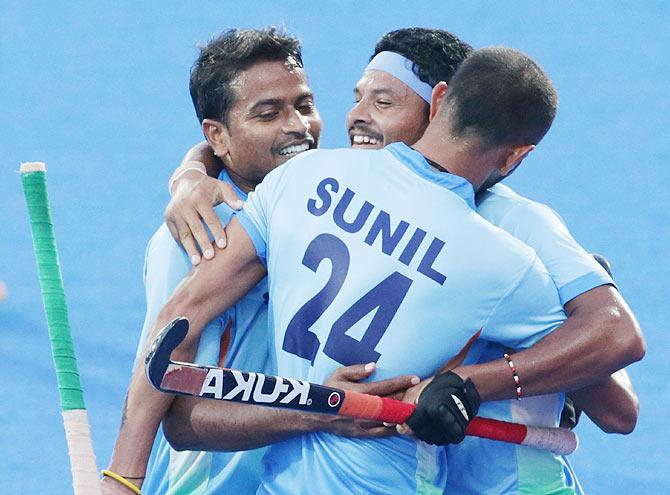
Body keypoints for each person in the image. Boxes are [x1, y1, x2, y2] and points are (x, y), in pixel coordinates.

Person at [166, 28, 644, 494]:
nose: (356, 118)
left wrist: (485, 383)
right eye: (358, 97)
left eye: (384, 103)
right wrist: (194, 169)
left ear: (438, 108)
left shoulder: (516, 230)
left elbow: (616, 406)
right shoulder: (351, 190)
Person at [103, 28, 418, 495]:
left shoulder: (328, 203)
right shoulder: (197, 239)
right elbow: (180, 411)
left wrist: (193, 168)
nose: (298, 127)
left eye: (305, 106)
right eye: (268, 114)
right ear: (219, 137)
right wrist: (321, 408)